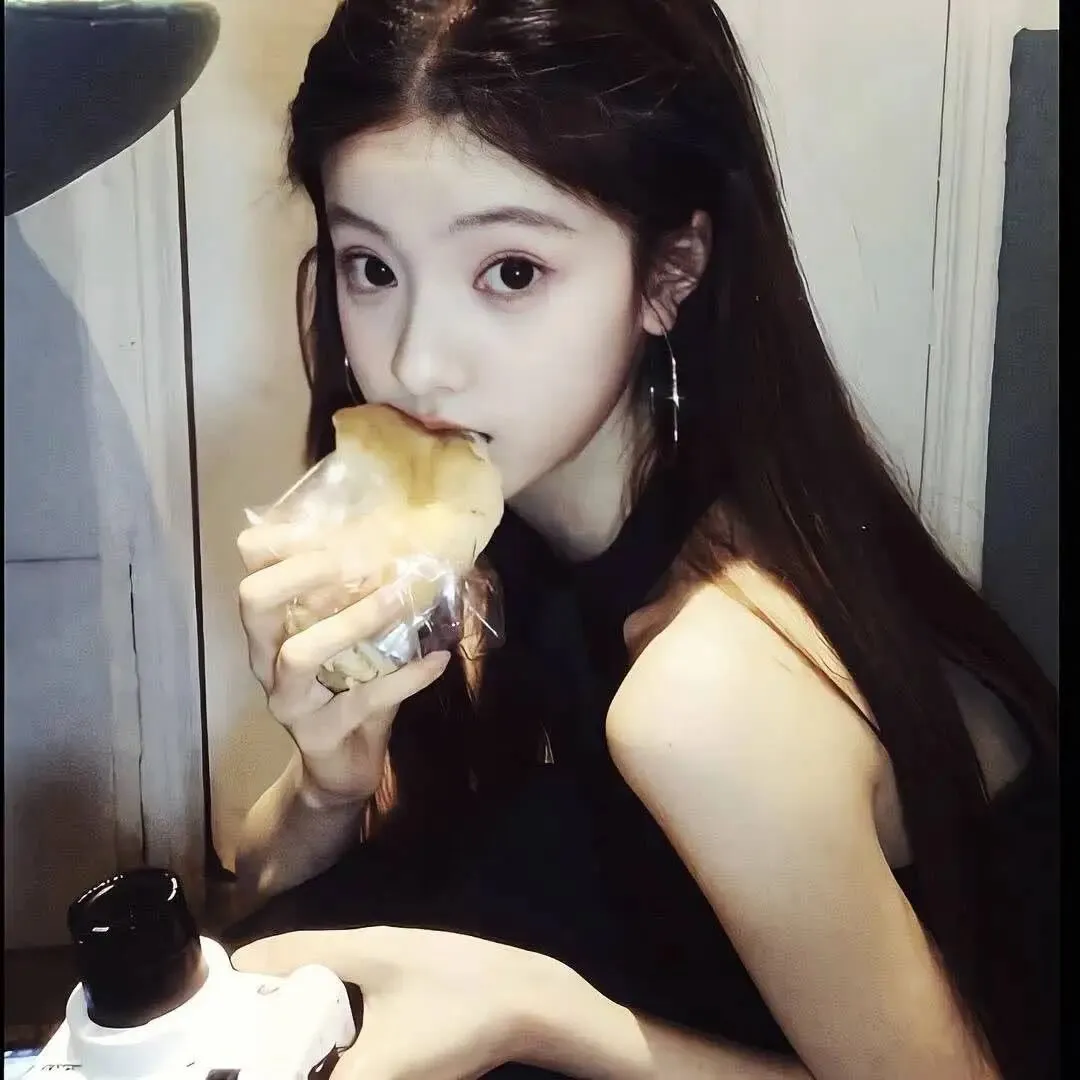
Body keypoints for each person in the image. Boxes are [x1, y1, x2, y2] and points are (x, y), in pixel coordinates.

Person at [222, 2, 1059, 1078]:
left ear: (670, 271)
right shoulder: (501, 546)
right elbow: (255, 907)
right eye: (371, 268)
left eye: (511, 272)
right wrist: (330, 785)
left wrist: (539, 1014)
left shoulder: (713, 689)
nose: (416, 364)